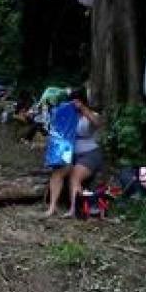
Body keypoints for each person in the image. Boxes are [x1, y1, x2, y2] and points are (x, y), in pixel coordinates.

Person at [44, 90, 104, 219]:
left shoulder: (91, 114)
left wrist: (83, 109)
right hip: (69, 153)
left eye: (76, 101)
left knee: (75, 176)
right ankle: (52, 207)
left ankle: (74, 209)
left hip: (90, 154)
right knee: (57, 173)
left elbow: (98, 123)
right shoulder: (68, 115)